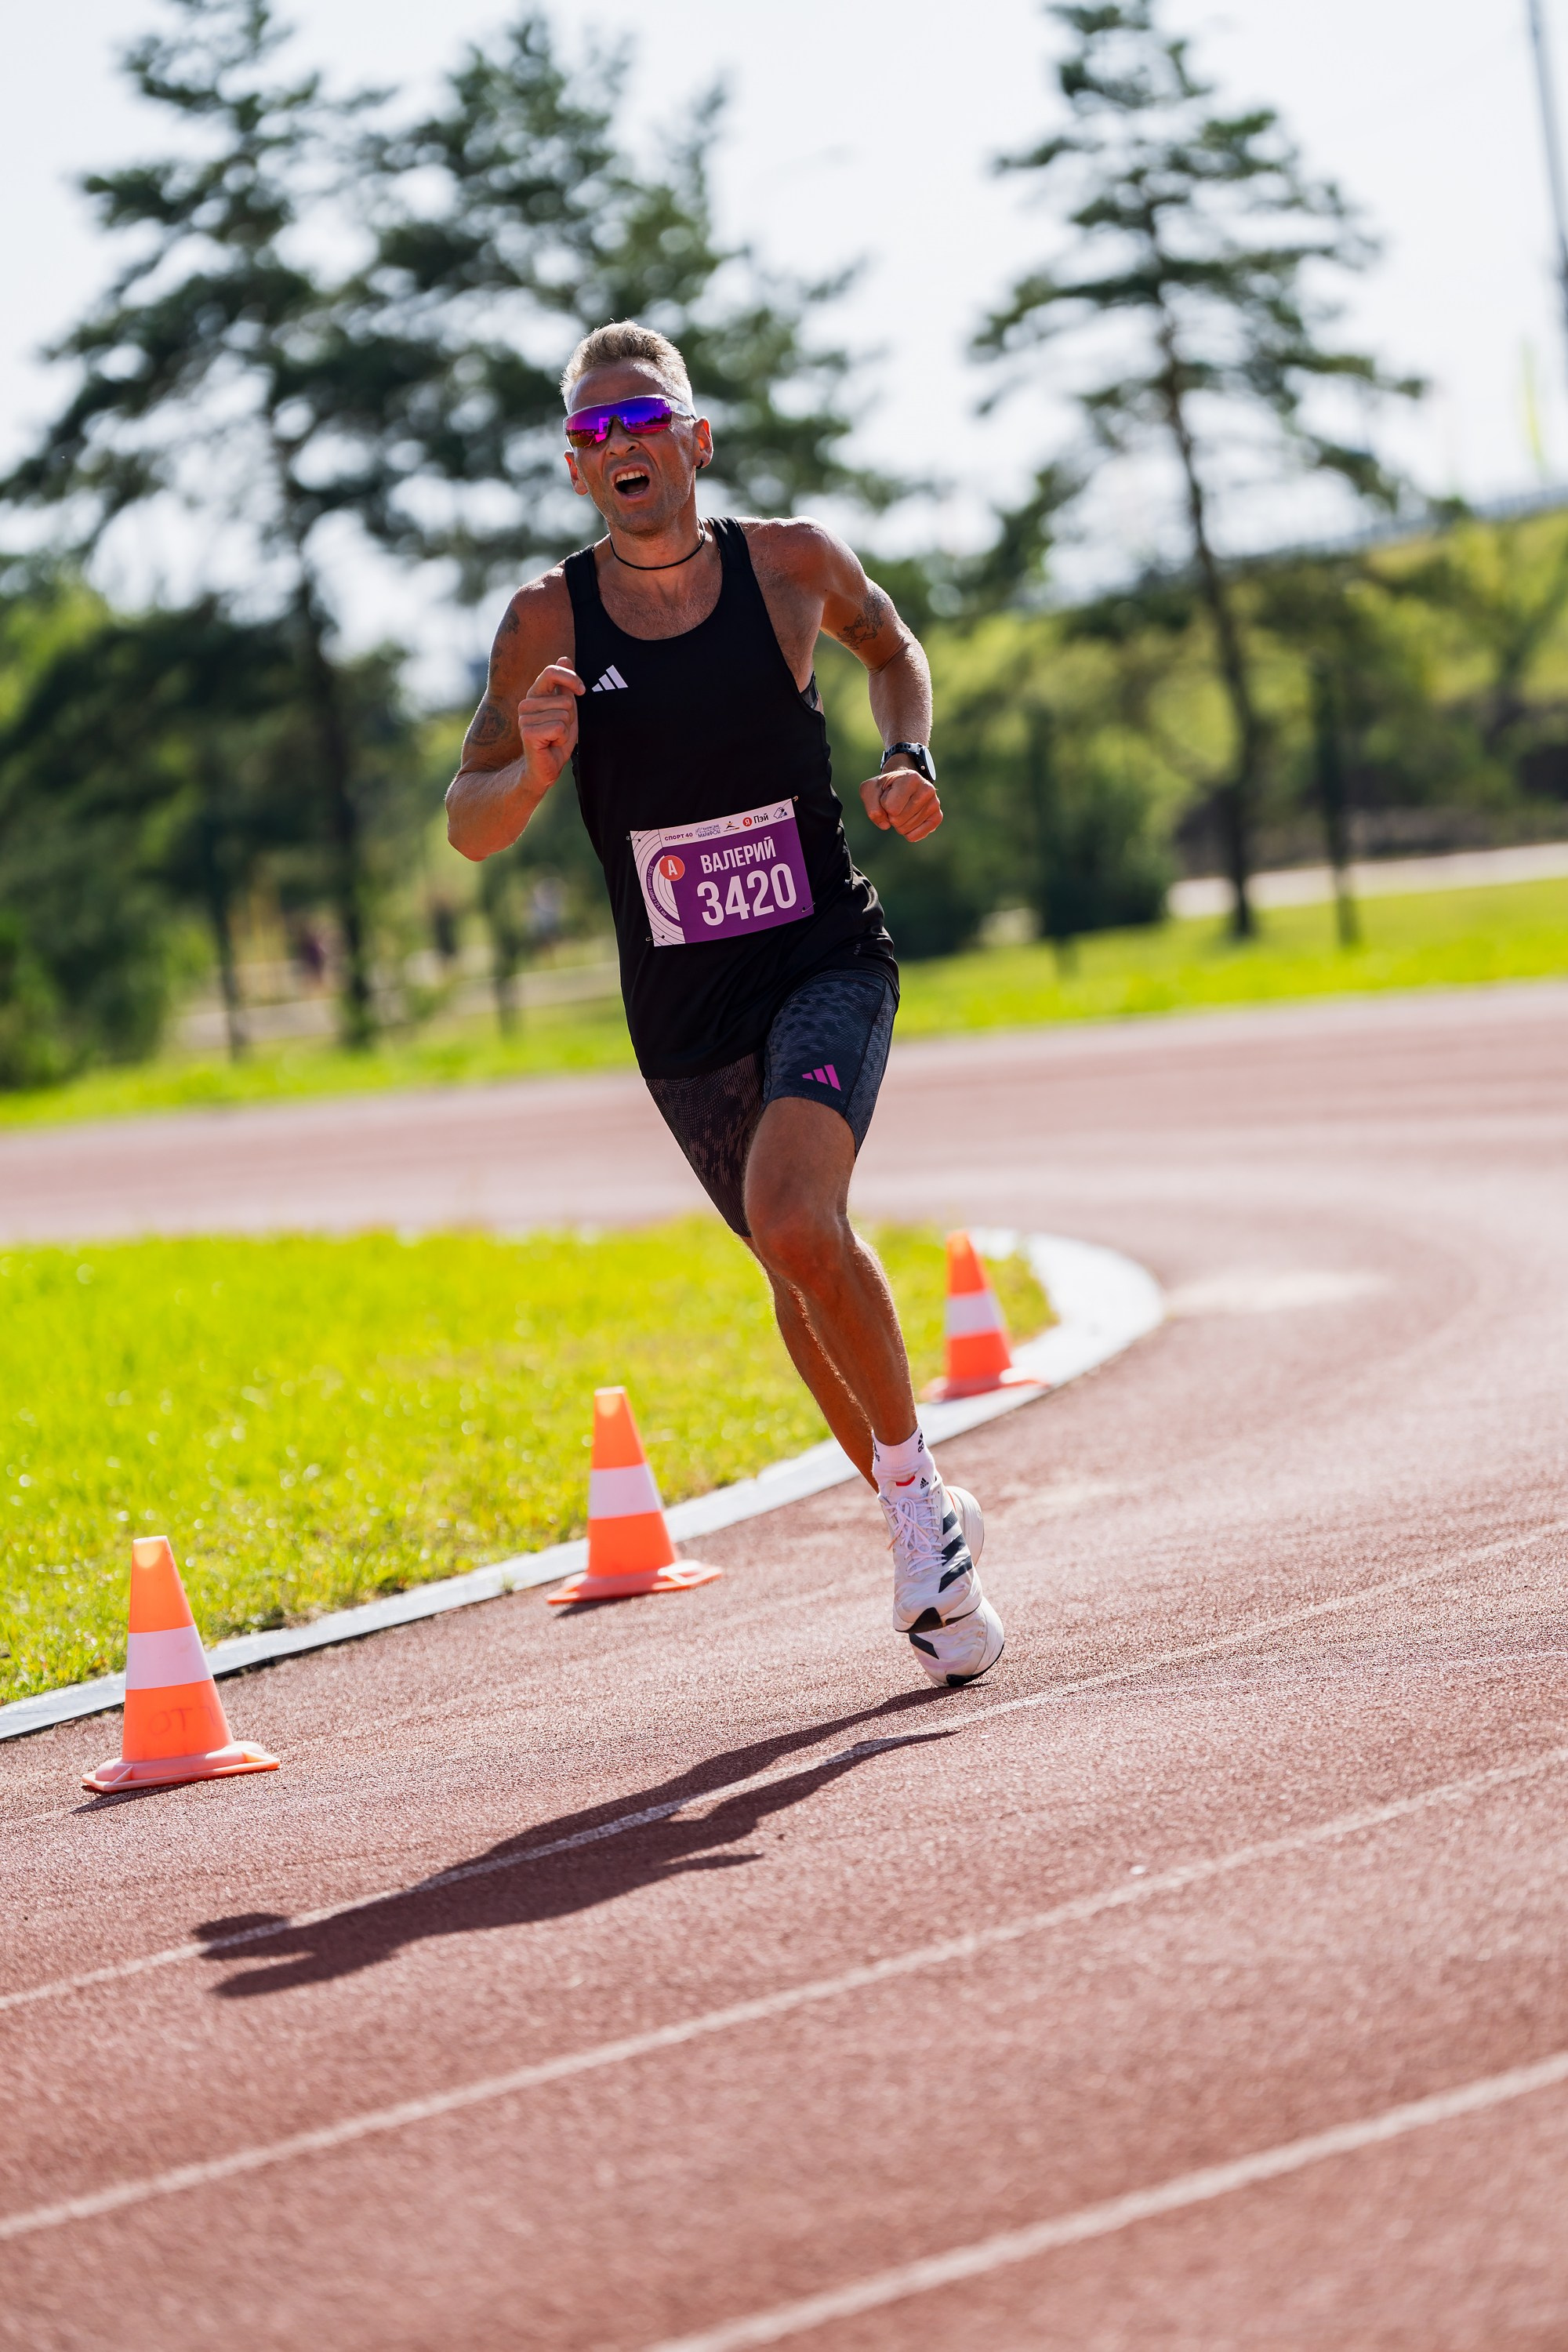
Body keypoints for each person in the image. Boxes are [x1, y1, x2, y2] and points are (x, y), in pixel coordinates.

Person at [446, 320, 1003, 1687]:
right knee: (791, 1271)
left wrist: (908, 752)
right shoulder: (544, 621)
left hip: (822, 953)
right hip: (682, 1011)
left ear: (695, 439)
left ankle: (923, 1518)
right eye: (592, 434)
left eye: (643, 422)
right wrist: (532, 768)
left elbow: (895, 646)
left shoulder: (790, 565)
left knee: (795, 1215)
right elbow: (467, 821)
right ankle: (914, 1513)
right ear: (577, 474)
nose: (620, 446)